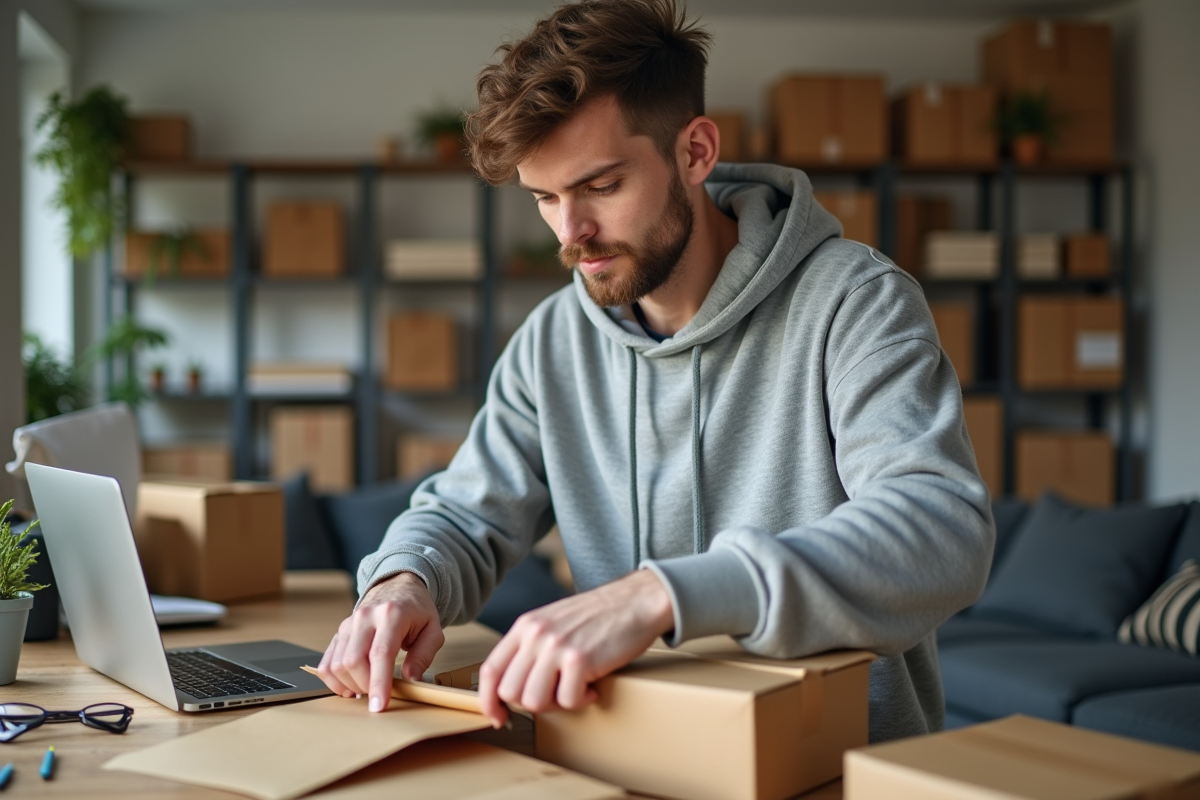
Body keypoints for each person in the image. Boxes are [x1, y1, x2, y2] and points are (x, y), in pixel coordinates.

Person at [318, 0, 994, 743]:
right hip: (629, 756)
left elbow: (941, 532)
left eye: (601, 186)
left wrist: (659, 595)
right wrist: (402, 580)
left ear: (695, 152)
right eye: (545, 198)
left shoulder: (855, 302)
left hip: (830, 761)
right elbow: (466, 515)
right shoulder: (553, 340)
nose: (571, 234)